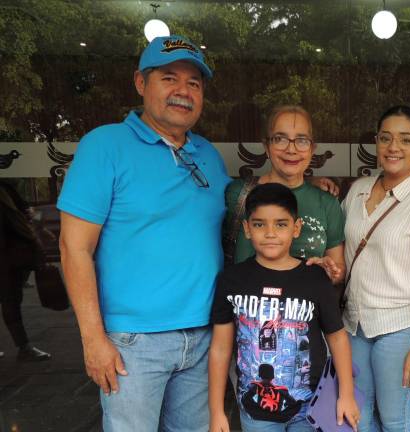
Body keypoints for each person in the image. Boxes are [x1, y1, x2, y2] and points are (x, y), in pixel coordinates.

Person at [57, 35, 231, 431]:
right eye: (169, 78)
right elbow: (73, 248)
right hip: (133, 343)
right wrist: (92, 339)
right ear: (140, 82)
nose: (183, 92)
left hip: (204, 336)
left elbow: (243, 212)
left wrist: (303, 191)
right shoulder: (105, 146)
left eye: (194, 83)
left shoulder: (207, 153)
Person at [209, 183, 359, 432]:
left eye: (280, 224)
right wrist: (216, 411)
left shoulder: (314, 278)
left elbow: (337, 338)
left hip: (309, 408)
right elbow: (220, 348)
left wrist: (346, 395)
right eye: (259, 224)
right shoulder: (232, 280)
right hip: (256, 413)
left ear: (296, 228)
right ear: (247, 228)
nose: (270, 233)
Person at [341, 105, 410, 432]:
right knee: (358, 420)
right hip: (357, 324)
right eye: (386, 138)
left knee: (394, 420)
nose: (394, 147)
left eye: (405, 140)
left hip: (404, 327)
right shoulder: (358, 190)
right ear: (376, 142)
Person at [225, 105, 344, 284]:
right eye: (280, 139)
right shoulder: (239, 194)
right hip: (248, 309)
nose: (291, 149)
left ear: (312, 148)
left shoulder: (326, 202)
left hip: (304, 308)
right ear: (266, 146)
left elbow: (338, 268)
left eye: (302, 140)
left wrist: (329, 272)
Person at [0, 180, 52, 361]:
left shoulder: (5, 186)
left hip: (9, 255)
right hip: (9, 254)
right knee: (10, 300)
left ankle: (24, 346)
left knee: (11, 300)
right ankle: (24, 347)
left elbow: (23, 210)